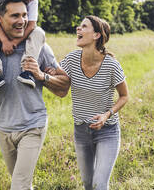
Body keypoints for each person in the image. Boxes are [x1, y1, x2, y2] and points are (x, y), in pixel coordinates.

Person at [0, 0, 68, 190]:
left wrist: (42, 76)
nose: (22, 21)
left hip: (33, 125)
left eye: (24, 15)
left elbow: (64, 86)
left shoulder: (39, 47)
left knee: (19, 186)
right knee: (22, 183)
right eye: (15, 16)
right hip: (4, 128)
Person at [55, 16, 129, 190]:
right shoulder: (71, 59)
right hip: (81, 131)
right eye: (79, 26)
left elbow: (124, 96)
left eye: (83, 26)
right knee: (88, 185)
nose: (78, 29)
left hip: (107, 131)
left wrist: (107, 114)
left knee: (99, 184)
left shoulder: (111, 65)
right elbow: (56, 76)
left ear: (96, 35)